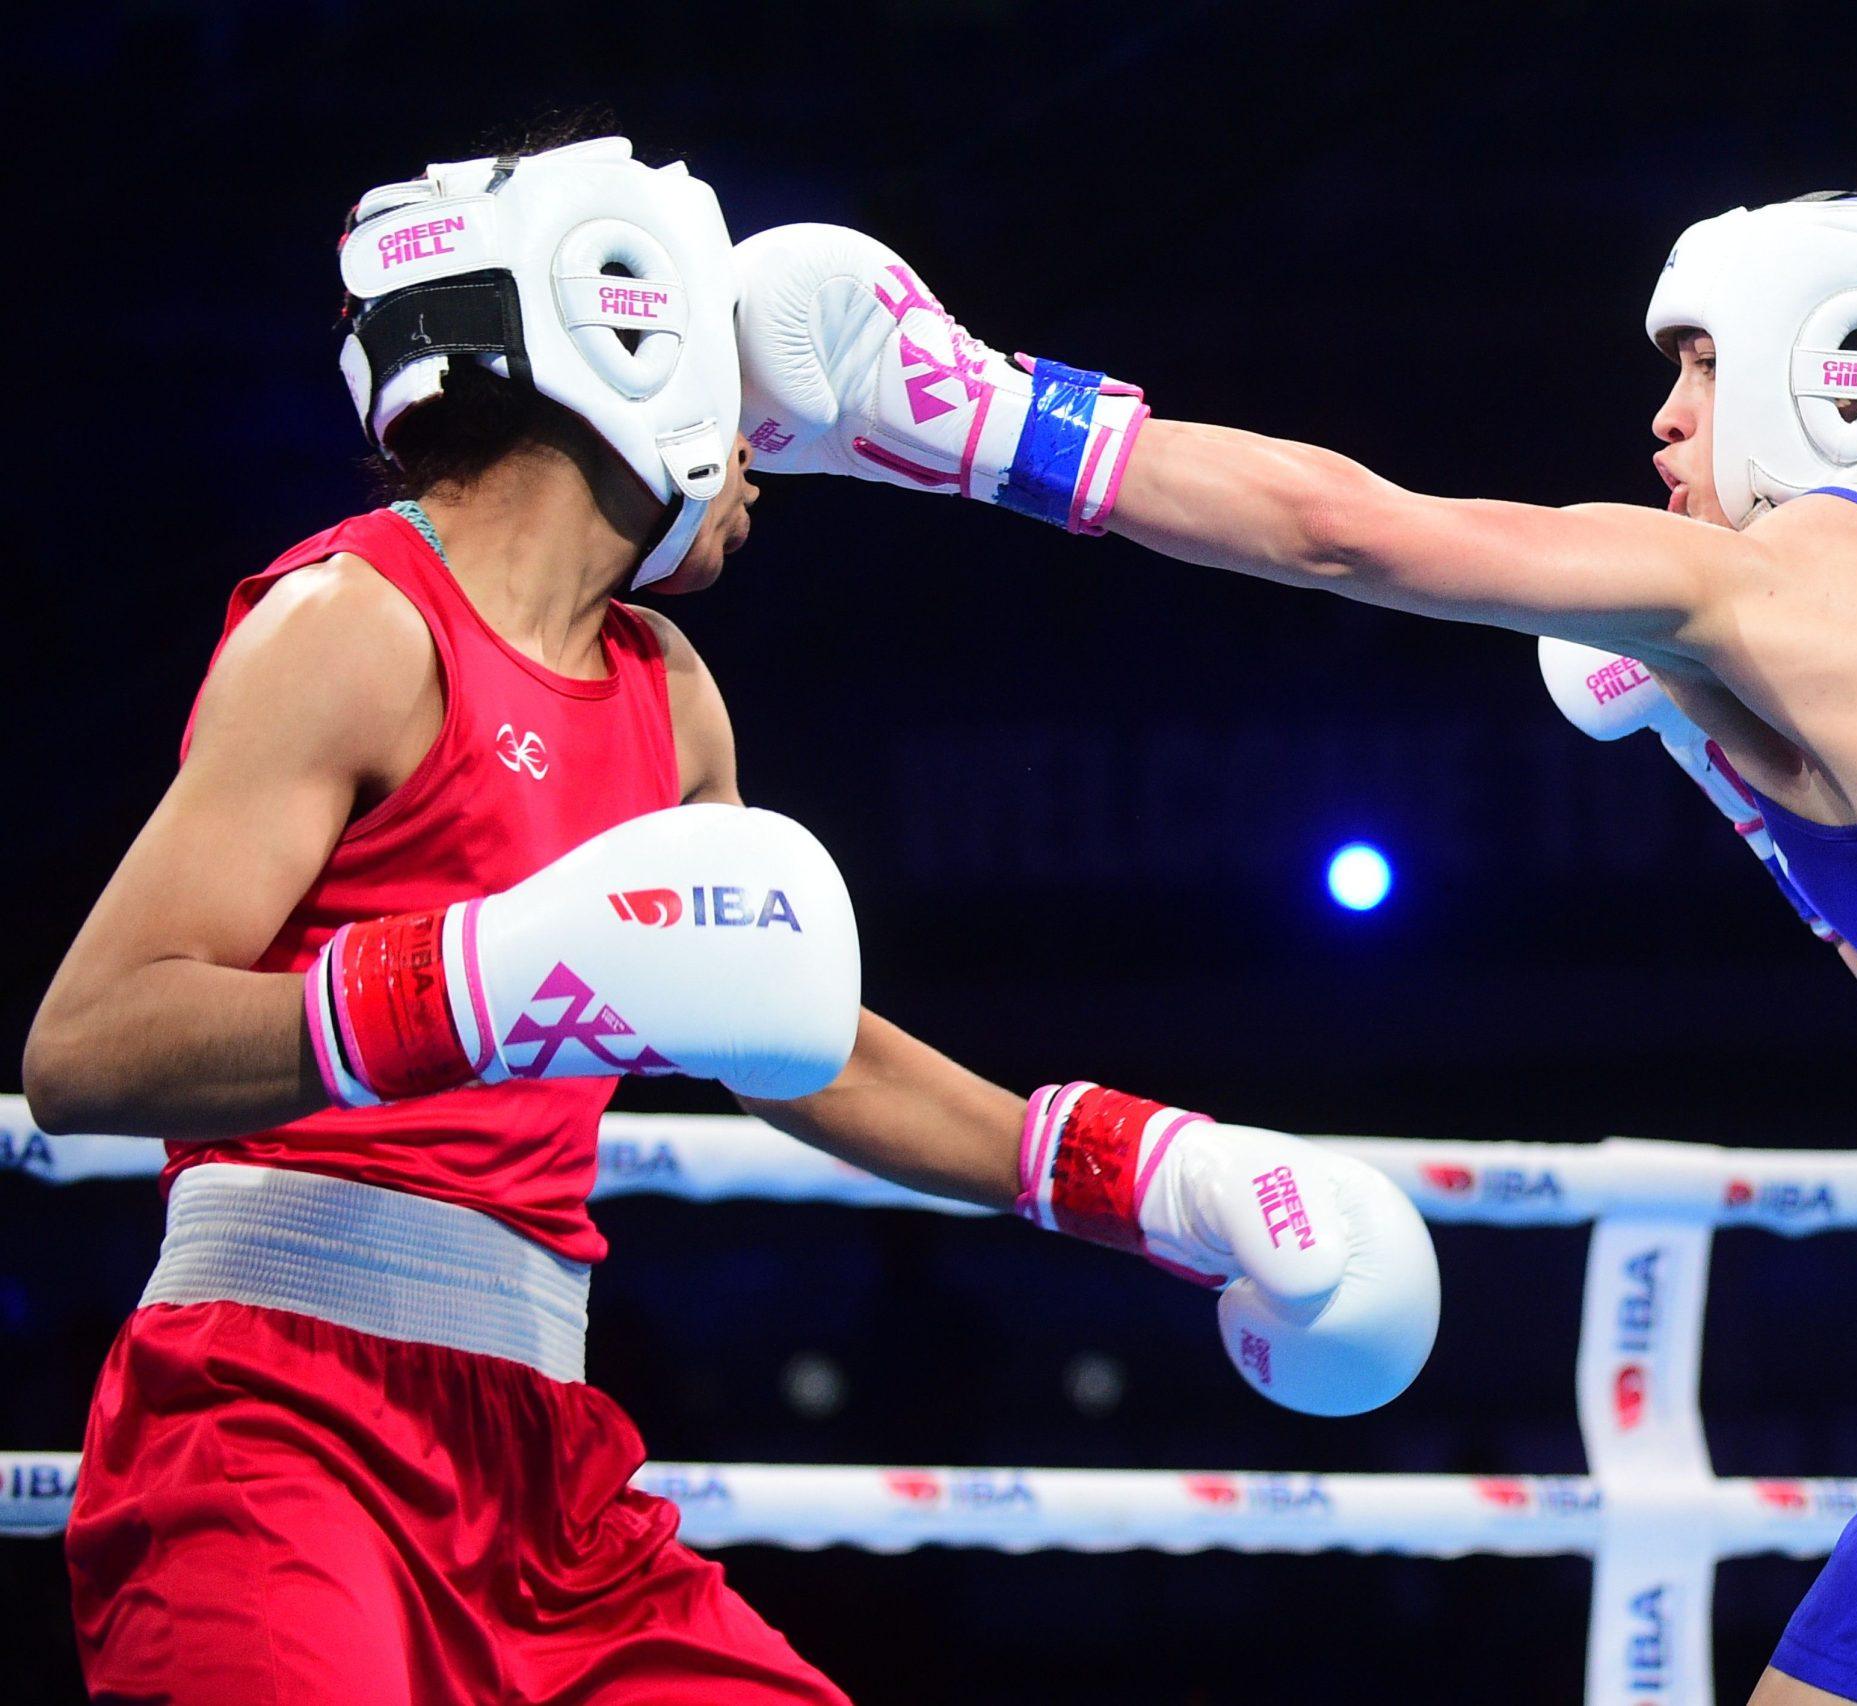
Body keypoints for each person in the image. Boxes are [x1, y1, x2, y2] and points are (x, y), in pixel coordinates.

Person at [731, 148, 1857, 1704]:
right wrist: (1729, 760)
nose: (1667, 420)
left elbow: (1348, 531)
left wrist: (971, 422)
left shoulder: (1760, 575)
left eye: (1693, 364)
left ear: (1839, 366)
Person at [21, 126, 1435, 1705]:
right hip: (271, 1427)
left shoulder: (668, 693)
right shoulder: (355, 623)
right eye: (734, 380)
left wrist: (1149, 1175)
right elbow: (89, 1042)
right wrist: (480, 981)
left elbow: (796, 1038)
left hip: (543, 1468)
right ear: (630, 341)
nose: (767, 447)